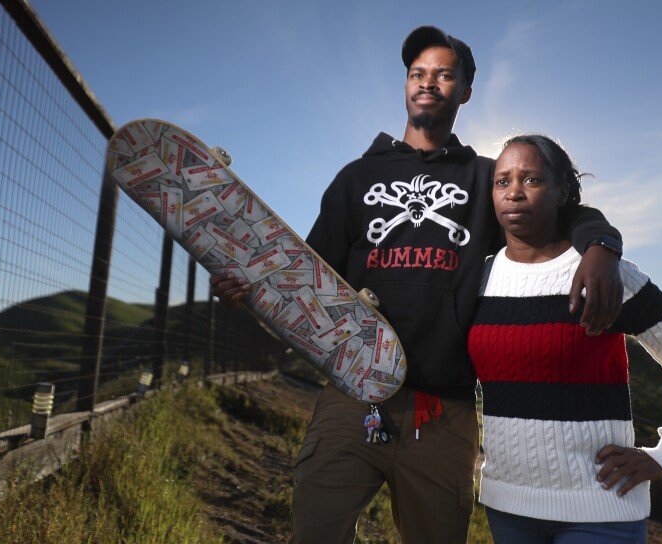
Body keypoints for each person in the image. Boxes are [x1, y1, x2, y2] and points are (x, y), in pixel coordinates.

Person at [212, 27, 624, 543]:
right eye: (417, 74)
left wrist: (601, 247)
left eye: (444, 74)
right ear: (406, 85)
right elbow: (308, 276)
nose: (428, 83)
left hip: (443, 409)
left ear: (466, 92)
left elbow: (569, 209)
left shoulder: (488, 178)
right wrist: (252, 292)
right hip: (352, 396)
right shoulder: (355, 178)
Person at [467, 134, 662, 543]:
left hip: (600, 507)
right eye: (503, 182)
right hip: (507, 507)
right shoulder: (478, 279)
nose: (514, 192)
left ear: (561, 193)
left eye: (531, 180)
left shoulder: (601, 272)